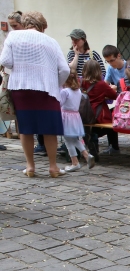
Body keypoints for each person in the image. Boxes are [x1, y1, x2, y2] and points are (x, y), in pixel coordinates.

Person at [0, 11, 70, 177]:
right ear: (42, 26)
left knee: (26, 128)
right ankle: (53, 167)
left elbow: (5, 62)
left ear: (25, 23)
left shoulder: (13, 36)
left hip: (21, 88)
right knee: (49, 130)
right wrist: (56, 83)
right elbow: (65, 69)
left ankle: (30, 166)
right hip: (47, 90)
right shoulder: (51, 41)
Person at [80, 59, 118, 159]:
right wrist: (112, 88)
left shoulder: (81, 83)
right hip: (98, 114)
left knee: (88, 128)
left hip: (82, 114)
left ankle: (90, 138)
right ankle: (112, 146)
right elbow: (114, 96)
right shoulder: (101, 84)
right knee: (113, 124)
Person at [60, 72, 94, 172]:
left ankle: (75, 162)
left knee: (67, 139)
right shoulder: (78, 91)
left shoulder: (65, 91)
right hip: (75, 116)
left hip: (66, 116)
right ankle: (86, 155)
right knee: (74, 139)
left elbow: (60, 103)